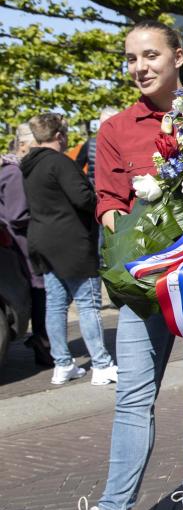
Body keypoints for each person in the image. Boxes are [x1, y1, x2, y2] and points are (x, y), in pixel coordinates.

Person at [41, 20, 183, 510]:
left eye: (150, 55)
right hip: (144, 287)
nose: (140, 66)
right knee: (132, 394)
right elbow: (107, 198)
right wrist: (117, 226)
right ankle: (114, 508)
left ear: (178, 57)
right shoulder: (116, 129)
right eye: (130, 58)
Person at [21, 113, 117, 386]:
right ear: (60, 136)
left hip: (42, 240)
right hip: (72, 242)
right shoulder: (59, 163)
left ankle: (62, 364)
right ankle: (101, 364)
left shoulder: (28, 165)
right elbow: (83, 198)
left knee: (55, 304)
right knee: (88, 303)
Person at [1, 124, 51, 366]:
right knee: (40, 291)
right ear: (22, 145)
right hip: (22, 243)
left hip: (16, 242)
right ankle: (42, 344)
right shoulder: (13, 173)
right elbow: (17, 214)